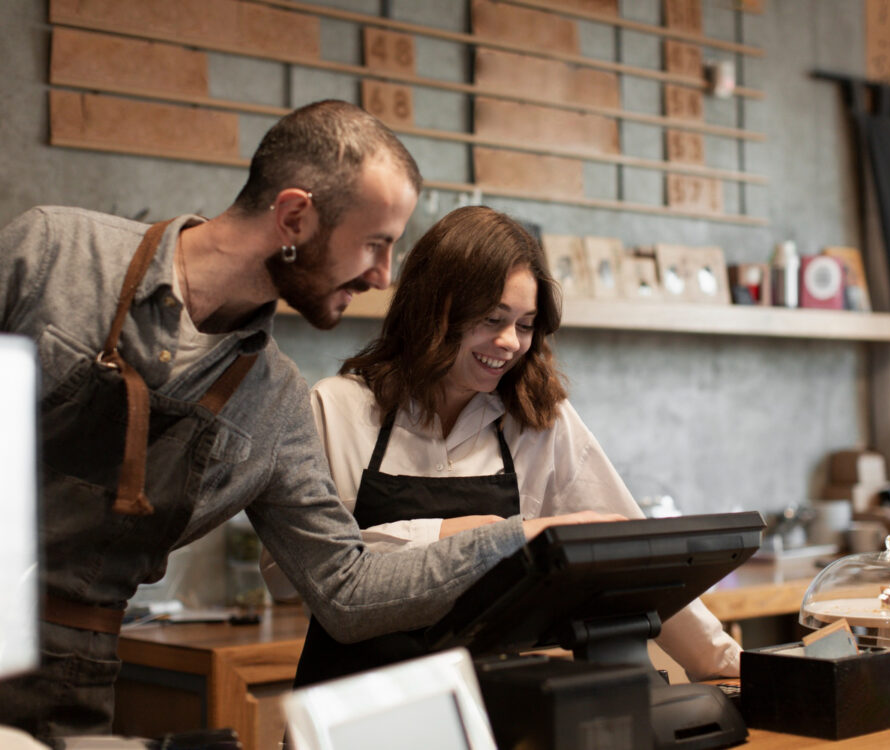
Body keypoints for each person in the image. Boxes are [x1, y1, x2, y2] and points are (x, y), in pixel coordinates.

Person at [0, 101, 615, 745]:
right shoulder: (53, 254)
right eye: (375, 244)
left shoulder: (274, 401)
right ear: (294, 216)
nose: (383, 277)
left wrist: (519, 538)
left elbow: (346, 591)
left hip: (70, 677)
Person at [262, 205, 742, 686]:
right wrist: (468, 534)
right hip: (352, 712)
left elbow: (636, 559)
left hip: (489, 712)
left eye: (526, 324)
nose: (510, 342)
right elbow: (287, 578)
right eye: (492, 318)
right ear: (434, 309)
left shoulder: (538, 420)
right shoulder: (336, 408)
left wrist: (725, 662)